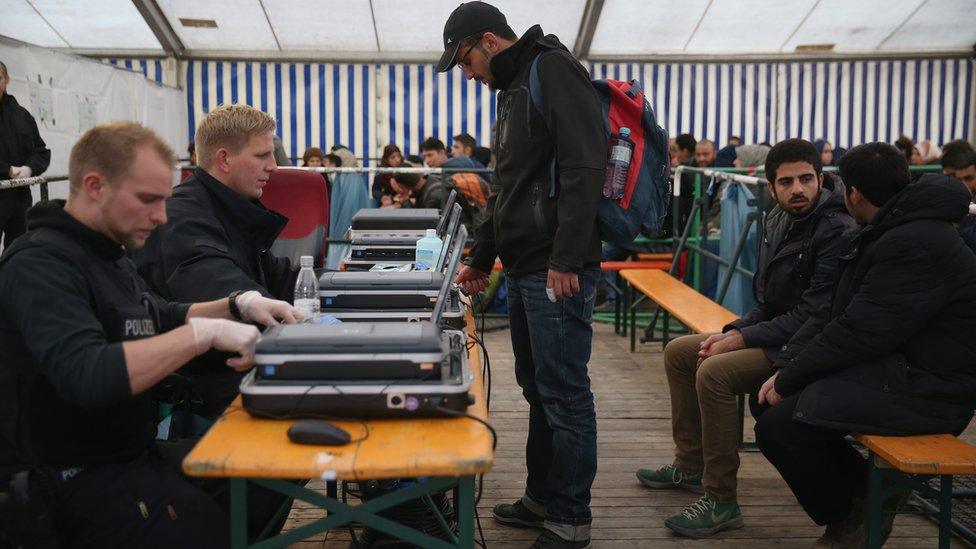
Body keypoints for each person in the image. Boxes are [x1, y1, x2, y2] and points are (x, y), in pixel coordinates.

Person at [0, 121, 301, 546]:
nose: (161, 217)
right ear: (94, 186)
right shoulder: (40, 266)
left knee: (265, 468)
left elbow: (159, 314)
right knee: (211, 529)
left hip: (130, 457)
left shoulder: (109, 256)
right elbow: (86, 373)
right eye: (147, 200)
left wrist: (237, 303)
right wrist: (201, 335)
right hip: (63, 481)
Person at [438, 3, 605, 547]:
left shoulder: (551, 68)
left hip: (555, 269)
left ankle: (571, 519)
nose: (467, 73)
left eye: (466, 60)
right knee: (538, 388)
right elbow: (509, 184)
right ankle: (544, 497)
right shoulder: (513, 88)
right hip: (529, 265)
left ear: (490, 40)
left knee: (564, 393)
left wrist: (566, 257)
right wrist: (483, 257)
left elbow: (585, 166)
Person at [753, 143, 976, 547]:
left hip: (934, 388)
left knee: (778, 426)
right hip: (901, 369)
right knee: (769, 401)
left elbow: (859, 330)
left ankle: (855, 512)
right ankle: (867, 497)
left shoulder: (912, 242)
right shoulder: (895, 230)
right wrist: (787, 367)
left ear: (854, 193)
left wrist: (791, 376)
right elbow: (837, 315)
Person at [636, 139, 856, 538]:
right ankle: (689, 465)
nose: (797, 189)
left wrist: (741, 338)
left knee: (714, 373)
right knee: (680, 351)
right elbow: (769, 301)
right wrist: (736, 330)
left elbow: (814, 316)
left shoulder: (836, 229)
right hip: (782, 333)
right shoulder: (777, 219)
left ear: (821, 179)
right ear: (771, 187)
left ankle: (721, 499)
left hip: (809, 346)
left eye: (806, 179)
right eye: (786, 182)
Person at [134, 104, 298, 419]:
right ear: (224, 159)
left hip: (234, 364)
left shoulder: (229, 208)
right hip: (214, 375)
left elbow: (279, 277)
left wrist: (359, 286)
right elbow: (220, 288)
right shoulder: (186, 217)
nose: (274, 166)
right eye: (262, 155)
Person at [0, 60, 51, 249]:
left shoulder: (23, 116)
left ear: (6, 80)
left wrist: (28, 169)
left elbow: (41, 151)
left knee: (17, 254)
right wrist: (7, 169)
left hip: (20, 199)